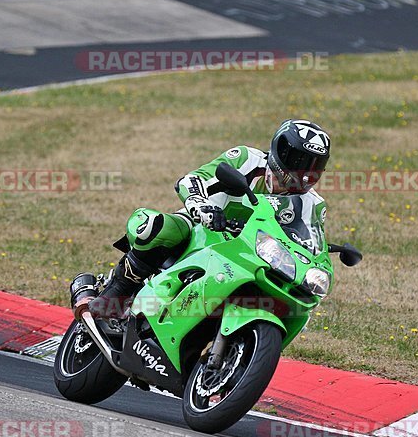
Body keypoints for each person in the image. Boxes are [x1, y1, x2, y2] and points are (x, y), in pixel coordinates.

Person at [72, 119, 331, 319]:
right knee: (152, 227)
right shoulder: (247, 159)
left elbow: (310, 239)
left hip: (250, 254)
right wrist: (201, 207)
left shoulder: (313, 205)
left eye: (314, 165)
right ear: (280, 152)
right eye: (299, 161)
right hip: (202, 230)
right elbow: (191, 180)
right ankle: (117, 291)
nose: (305, 172)